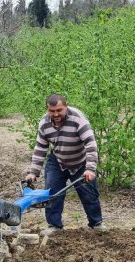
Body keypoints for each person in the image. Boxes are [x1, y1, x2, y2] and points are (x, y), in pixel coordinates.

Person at [25, 94, 105, 236]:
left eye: (59, 110)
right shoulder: (44, 123)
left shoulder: (78, 119)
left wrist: (90, 169)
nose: (55, 114)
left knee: (89, 194)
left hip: (80, 161)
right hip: (58, 161)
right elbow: (40, 148)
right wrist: (33, 172)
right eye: (52, 111)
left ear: (66, 107)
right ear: (47, 109)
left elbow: (91, 144)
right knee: (53, 193)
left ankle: (96, 224)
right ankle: (54, 226)